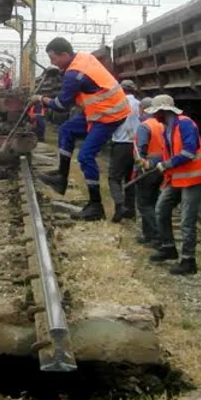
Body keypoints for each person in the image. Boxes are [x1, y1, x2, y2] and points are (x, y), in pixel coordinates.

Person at [34, 37, 131, 221]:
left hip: (109, 115)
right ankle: (61, 177)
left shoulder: (73, 73)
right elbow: (83, 80)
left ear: (64, 54)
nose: (52, 62)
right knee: (66, 130)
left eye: (54, 59)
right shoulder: (82, 58)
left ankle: (96, 206)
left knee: (85, 156)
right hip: (100, 111)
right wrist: (59, 71)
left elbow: (61, 105)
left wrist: (40, 99)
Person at [144, 94, 201, 275]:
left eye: (156, 112)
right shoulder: (167, 127)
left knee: (187, 220)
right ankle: (168, 247)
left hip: (194, 179)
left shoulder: (185, 124)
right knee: (161, 209)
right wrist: (157, 163)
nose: (154, 116)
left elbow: (189, 152)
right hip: (177, 178)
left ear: (164, 111)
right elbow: (171, 153)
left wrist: (166, 165)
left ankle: (189, 261)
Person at [107, 79, 141, 224]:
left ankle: (119, 206)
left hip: (120, 144)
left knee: (114, 178)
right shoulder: (139, 105)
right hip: (135, 146)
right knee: (130, 179)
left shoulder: (117, 103)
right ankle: (131, 211)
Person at [133, 97, 165, 248]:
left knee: (144, 204)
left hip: (148, 168)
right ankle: (149, 236)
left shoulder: (144, 126)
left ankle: (156, 236)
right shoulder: (161, 124)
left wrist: (138, 168)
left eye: (140, 109)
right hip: (161, 168)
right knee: (153, 202)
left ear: (144, 109)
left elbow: (141, 150)